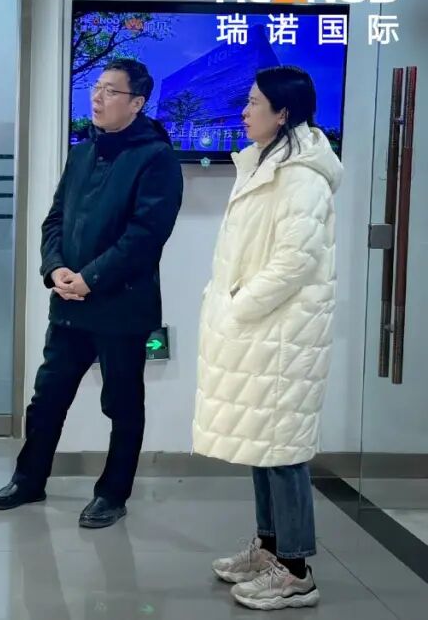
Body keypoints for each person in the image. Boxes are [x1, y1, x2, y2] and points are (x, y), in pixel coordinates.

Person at [0, 59, 183, 527]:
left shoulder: (156, 158)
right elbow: (55, 219)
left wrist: (91, 277)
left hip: (121, 305)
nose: (97, 97)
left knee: (122, 403)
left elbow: (145, 235)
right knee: (47, 397)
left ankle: (112, 494)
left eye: (111, 91)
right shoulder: (82, 153)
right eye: (96, 87)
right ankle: (28, 480)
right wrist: (54, 269)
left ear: (136, 103)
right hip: (69, 304)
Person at [196, 66, 341, 611]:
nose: (244, 110)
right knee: (264, 442)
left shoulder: (302, 176)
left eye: (254, 102)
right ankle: (270, 548)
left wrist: (241, 304)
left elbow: (294, 261)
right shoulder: (264, 161)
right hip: (265, 330)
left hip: (284, 332)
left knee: (283, 451)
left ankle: (297, 571)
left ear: (283, 113)